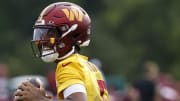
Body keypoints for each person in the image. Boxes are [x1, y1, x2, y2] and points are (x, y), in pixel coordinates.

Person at [14, 2, 109, 101]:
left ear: (71, 34)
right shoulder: (90, 66)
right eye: (42, 33)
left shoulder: (68, 65)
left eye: (50, 34)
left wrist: (40, 99)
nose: (42, 40)